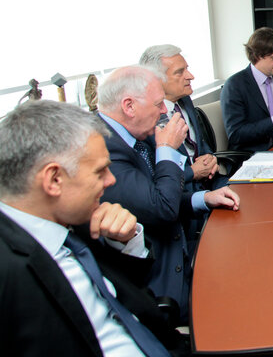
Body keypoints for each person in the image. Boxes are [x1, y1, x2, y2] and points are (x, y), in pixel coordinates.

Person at [0, 100, 186, 355]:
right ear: (54, 179)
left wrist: (126, 242)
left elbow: (130, 304)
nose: (111, 181)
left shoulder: (74, 223)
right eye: (100, 172)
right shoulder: (10, 273)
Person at [98, 66, 240, 321]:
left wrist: (203, 199)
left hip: (181, 254)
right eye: (157, 104)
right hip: (158, 280)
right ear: (129, 106)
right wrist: (166, 150)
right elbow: (161, 207)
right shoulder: (103, 148)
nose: (165, 110)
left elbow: (161, 193)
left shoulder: (136, 132)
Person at [139, 45, 229, 242]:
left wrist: (210, 158)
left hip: (211, 182)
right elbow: (154, 177)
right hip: (182, 199)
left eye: (187, 68)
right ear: (155, 80)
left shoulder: (185, 101)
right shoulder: (146, 119)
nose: (190, 76)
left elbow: (200, 143)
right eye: (180, 72)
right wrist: (193, 172)